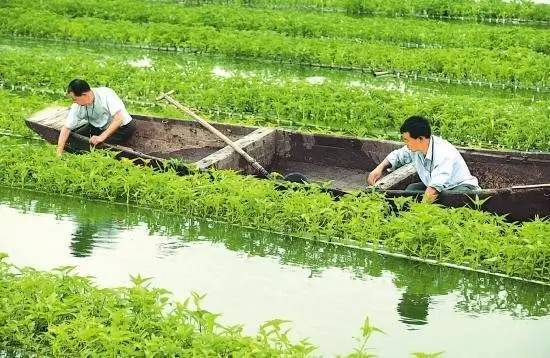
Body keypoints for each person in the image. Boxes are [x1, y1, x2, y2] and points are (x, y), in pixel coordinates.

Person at [367, 116, 480, 202]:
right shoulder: (416, 148)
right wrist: (379, 168)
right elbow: (397, 156)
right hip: (438, 186)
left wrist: (418, 214)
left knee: (450, 199)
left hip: (460, 187)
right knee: (411, 189)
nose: (405, 143)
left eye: (407, 139)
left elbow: (434, 188)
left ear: (420, 139)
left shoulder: (443, 152)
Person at [56, 79, 135, 157]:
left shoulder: (106, 94)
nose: (74, 102)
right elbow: (66, 128)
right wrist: (58, 153)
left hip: (121, 127)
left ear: (84, 94)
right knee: (73, 141)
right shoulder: (77, 106)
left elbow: (119, 118)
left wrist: (101, 137)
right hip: (97, 126)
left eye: (75, 99)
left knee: (99, 149)